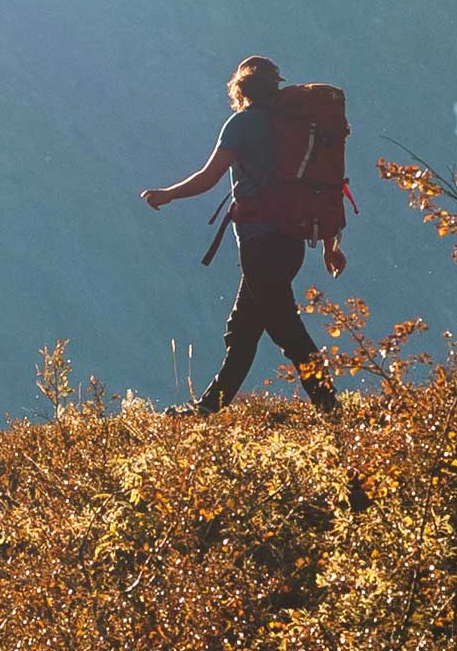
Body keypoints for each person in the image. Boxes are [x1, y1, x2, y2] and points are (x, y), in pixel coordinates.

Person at [142, 54, 344, 413]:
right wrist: (331, 245)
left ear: (240, 90)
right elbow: (321, 185)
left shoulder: (242, 125)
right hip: (291, 241)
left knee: (285, 328)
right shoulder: (291, 125)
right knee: (244, 329)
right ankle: (207, 408)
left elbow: (208, 178)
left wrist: (167, 194)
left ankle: (329, 405)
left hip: (259, 244)